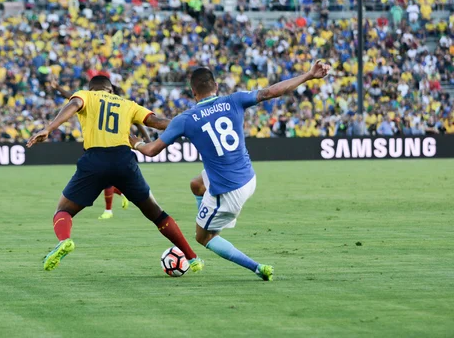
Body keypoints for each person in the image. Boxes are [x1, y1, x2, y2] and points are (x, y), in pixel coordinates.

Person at [130, 61, 331, 281]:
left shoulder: (185, 119)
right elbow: (272, 91)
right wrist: (309, 75)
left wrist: (134, 141)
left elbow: (150, 151)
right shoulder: (234, 100)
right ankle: (209, 217)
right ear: (216, 86)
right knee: (196, 184)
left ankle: (257, 267)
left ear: (193, 92)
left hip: (228, 190)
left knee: (202, 238)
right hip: (248, 177)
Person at [27, 76, 204, 272]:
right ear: (110, 89)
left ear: (92, 88)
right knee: (157, 214)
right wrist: (188, 125)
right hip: (123, 160)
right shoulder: (127, 104)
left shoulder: (85, 96)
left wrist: (49, 128)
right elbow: (156, 122)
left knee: (63, 211)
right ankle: (192, 258)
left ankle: (64, 240)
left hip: (94, 161)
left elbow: (75, 103)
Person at [51, 78, 146, 220]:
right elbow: (140, 123)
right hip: (121, 153)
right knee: (108, 181)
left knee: (104, 179)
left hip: (109, 150)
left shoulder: (102, 102)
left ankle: (109, 209)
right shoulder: (123, 104)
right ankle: (121, 195)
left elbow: (74, 99)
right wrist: (147, 140)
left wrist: (58, 88)